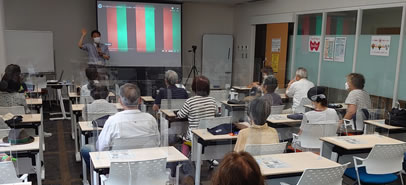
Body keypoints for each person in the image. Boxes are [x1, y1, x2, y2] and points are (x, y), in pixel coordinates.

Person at [80, 83, 160, 166]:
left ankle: (96, 176)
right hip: (145, 166)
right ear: (140, 100)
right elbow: (157, 143)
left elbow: (101, 147)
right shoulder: (151, 119)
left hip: (118, 169)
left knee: (85, 149)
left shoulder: (113, 121)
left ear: (120, 101)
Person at [177, 76, 217, 140]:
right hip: (209, 135)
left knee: (181, 136)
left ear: (194, 87)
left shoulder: (190, 101)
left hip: (194, 137)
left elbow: (180, 115)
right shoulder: (212, 100)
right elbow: (216, 112)